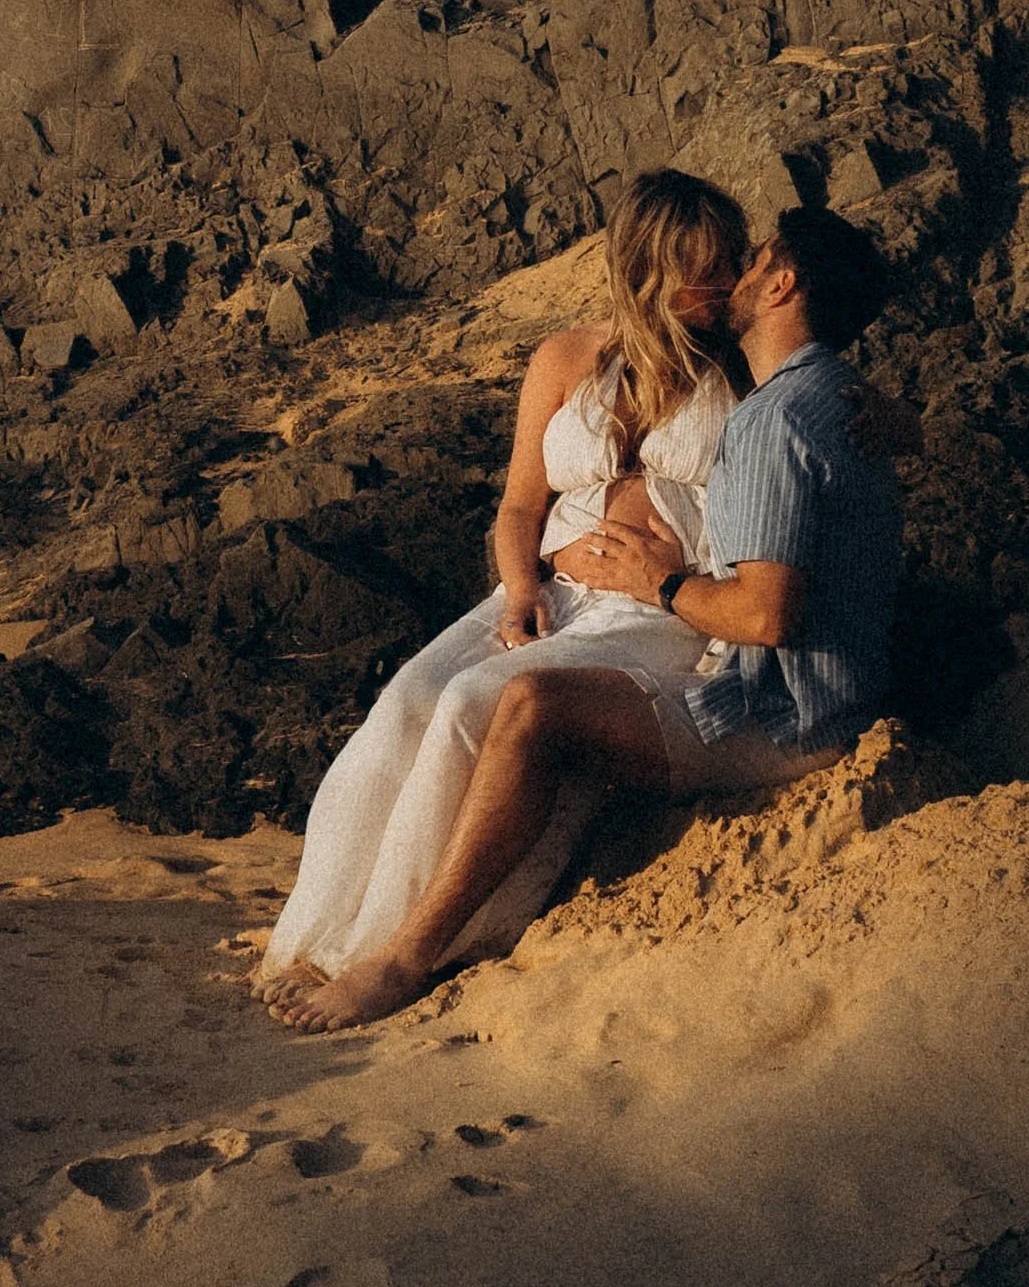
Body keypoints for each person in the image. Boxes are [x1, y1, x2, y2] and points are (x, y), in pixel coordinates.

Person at [268, 201, 906, 1033]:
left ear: (775, 282)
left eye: (740, 260)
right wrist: (521, 592)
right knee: (407, 702)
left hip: (663, 606)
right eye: (707, 262)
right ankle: (321, 934)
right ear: (647, 265)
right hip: (551, 588)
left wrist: (903, 421)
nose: (726, 276)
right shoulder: (570, 356)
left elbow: (823, 397)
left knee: (477, 706)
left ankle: (405, 945)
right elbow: (518, 504)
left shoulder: (748, 372)